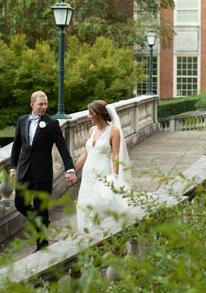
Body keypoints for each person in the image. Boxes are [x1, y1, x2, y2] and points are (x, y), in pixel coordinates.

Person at [10, 91, 77, 250]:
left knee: (41, 208)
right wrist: (13, 167)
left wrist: (70, 169)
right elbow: (16, 146)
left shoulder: (52, 123)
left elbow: (62, 147)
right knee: (20, 204)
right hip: (24, 172)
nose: (44, 107)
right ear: (32, 104)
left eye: (46, 104)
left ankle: (42, 245)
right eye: (41, 104)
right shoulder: (22, 121)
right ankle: (42, 223)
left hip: (43, 173)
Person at [74, 100, 132, 233]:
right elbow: (85, 154)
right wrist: (73, 170)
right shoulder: (92, 130)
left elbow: (116, 156)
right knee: (85, 206)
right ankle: (88, 238)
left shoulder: (114, 131)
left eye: (90, 113)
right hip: (87, 178)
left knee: (102, 208)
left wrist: (115, 176)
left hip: (103, 177)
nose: (88, 116)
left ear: (99, 113)